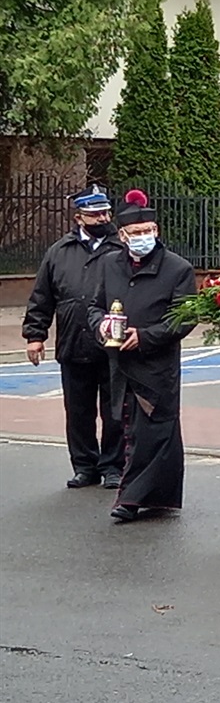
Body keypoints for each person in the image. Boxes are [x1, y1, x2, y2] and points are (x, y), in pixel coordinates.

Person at [88, 190, 196, 522]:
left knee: (154, 432)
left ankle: (131, 499)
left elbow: (185, 318)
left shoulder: (178, 268)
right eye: (135, 233)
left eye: (147, 231)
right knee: (128, 429)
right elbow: (94, 307)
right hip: (120, 365)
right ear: (122, 236)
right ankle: (155, 496)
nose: (142, 237)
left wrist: (145, 337)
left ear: (156, 230)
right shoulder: (109, 264)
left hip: (156, 367)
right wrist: (101, 326)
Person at [22, 186, 125, 489]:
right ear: (79, 217)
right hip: (73, 342)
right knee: (78, 412)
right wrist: (35, 335)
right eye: (95, 214)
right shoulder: (59, 251)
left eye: (105, 213)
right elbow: (42, 296)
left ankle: (113, 467)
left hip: (113, 345)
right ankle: (85, 466)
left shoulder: (121, 246)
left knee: (115, 411)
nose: (102, 219)